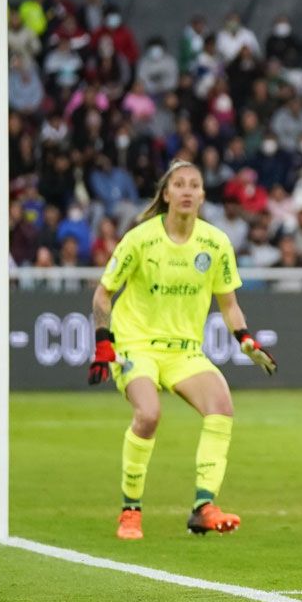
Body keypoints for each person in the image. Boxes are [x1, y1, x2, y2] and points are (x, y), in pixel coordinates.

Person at [88, 160, 278, 541]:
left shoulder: (215, 243)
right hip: (136, 344)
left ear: (203, 196)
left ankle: (204, 507)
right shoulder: (141, 239)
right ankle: (130, 511)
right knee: (148, 414)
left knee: (221, 406)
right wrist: (103, 343)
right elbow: (103, 294)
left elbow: (228, 303)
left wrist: (244, 338)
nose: (188, 190)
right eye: (180, 184)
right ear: (166, 194)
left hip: (185, 351)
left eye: (195, 184)